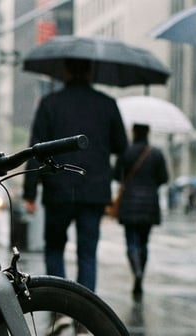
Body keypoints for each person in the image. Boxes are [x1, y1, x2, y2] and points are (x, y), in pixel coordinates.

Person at [23, 58, 128, 292]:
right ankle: (84, 311)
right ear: (90, 72)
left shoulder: (50, 104)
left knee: (54, 249)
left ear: (66, 71)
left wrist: (30, 192)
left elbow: (36, 150)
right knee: (87, 253)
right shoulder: (107, 104)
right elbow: (122, 146)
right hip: (94, 190)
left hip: (57, 189)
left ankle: (59, 304)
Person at [112, 123, 169, 299]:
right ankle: (140, 274)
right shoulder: (156, 153)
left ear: (134, 132)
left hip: (129, 203)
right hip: (149, 205)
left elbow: (116, 175)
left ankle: (135, 270)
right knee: (144, 243)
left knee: (131, 242)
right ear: (148, 132)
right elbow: (164, 178)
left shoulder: (126, 152)